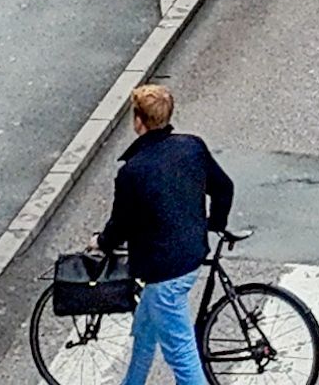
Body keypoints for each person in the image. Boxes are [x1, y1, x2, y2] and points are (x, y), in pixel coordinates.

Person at [97, 83, 233, 385]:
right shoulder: (192, 146)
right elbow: (224, 187)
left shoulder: (133, 171)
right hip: (192, 254)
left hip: (165, 272)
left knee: (182, 356)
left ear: (138, 121)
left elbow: (120, 225)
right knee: (145, 331)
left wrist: (101, 243)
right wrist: (212, 224)